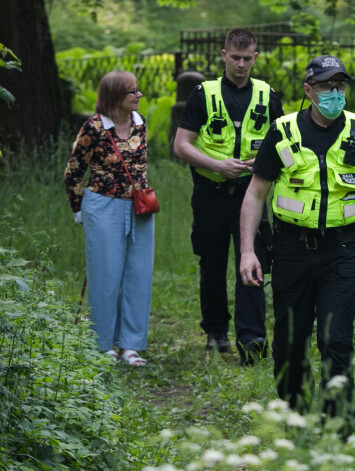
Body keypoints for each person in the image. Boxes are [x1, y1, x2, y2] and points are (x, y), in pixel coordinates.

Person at [239, 55, 355, 420]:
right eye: (327, 86)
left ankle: (336, 424)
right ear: (309, 91)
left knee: (336, 341)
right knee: (290, 346)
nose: (335, 92)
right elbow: (255, 193)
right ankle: (297, 419)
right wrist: (248, 251)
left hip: (344, 251)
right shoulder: (282, 131)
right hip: (292, 251)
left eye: (340, 85)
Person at [173, 28, 284, 365]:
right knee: (212, 263)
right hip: (211, 192)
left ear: (255, 57)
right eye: (234, 58)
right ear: (223, 56)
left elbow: (285, 143)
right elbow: (181, 145)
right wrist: (218, 165)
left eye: (247, 58)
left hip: (252, 193)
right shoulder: (203, 94)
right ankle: (216, 332)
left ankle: (251, 342)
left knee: (252, 264)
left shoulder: (268, 95)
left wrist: (263, 163)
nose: (240, 65)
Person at [64, 70, 154, 366]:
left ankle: (130, 345)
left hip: (139, 206)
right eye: (133, 91)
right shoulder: (93, 128)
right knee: (105, 275)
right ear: (116, 96)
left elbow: (140, 166)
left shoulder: (140, 124)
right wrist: (79, 210)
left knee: (138, 274)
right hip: (102, 207)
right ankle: (103, 344)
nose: (139, 95)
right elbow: (74, 171)